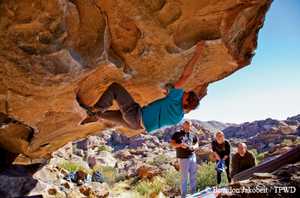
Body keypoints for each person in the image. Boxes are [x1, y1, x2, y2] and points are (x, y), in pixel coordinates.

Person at [79, 41, 207, 134]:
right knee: (103, 115)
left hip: (135, 115)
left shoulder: (176, 98)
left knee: (115, 88)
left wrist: (198, 52)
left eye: (187, 94)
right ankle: (94, 116)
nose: (184, 91)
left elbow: (186, 75)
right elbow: (162, 112)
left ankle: (96, 109)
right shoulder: (178, 117)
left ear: (186, 100)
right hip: (136, 126)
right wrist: (168, 93)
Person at [170, 120, 198, 198]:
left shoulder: (192, 134)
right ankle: (183, 196)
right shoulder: (177, 134)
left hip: (193, 156)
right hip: (183, 158)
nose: (187, 126)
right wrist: (180, 145)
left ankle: (194, 194)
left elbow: (197, 143)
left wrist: (194, 147)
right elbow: (172, 144)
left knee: (193, 176)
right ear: (183, 125)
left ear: (190, 126)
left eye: (189, 125)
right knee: (184, 178)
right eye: (186, 125)